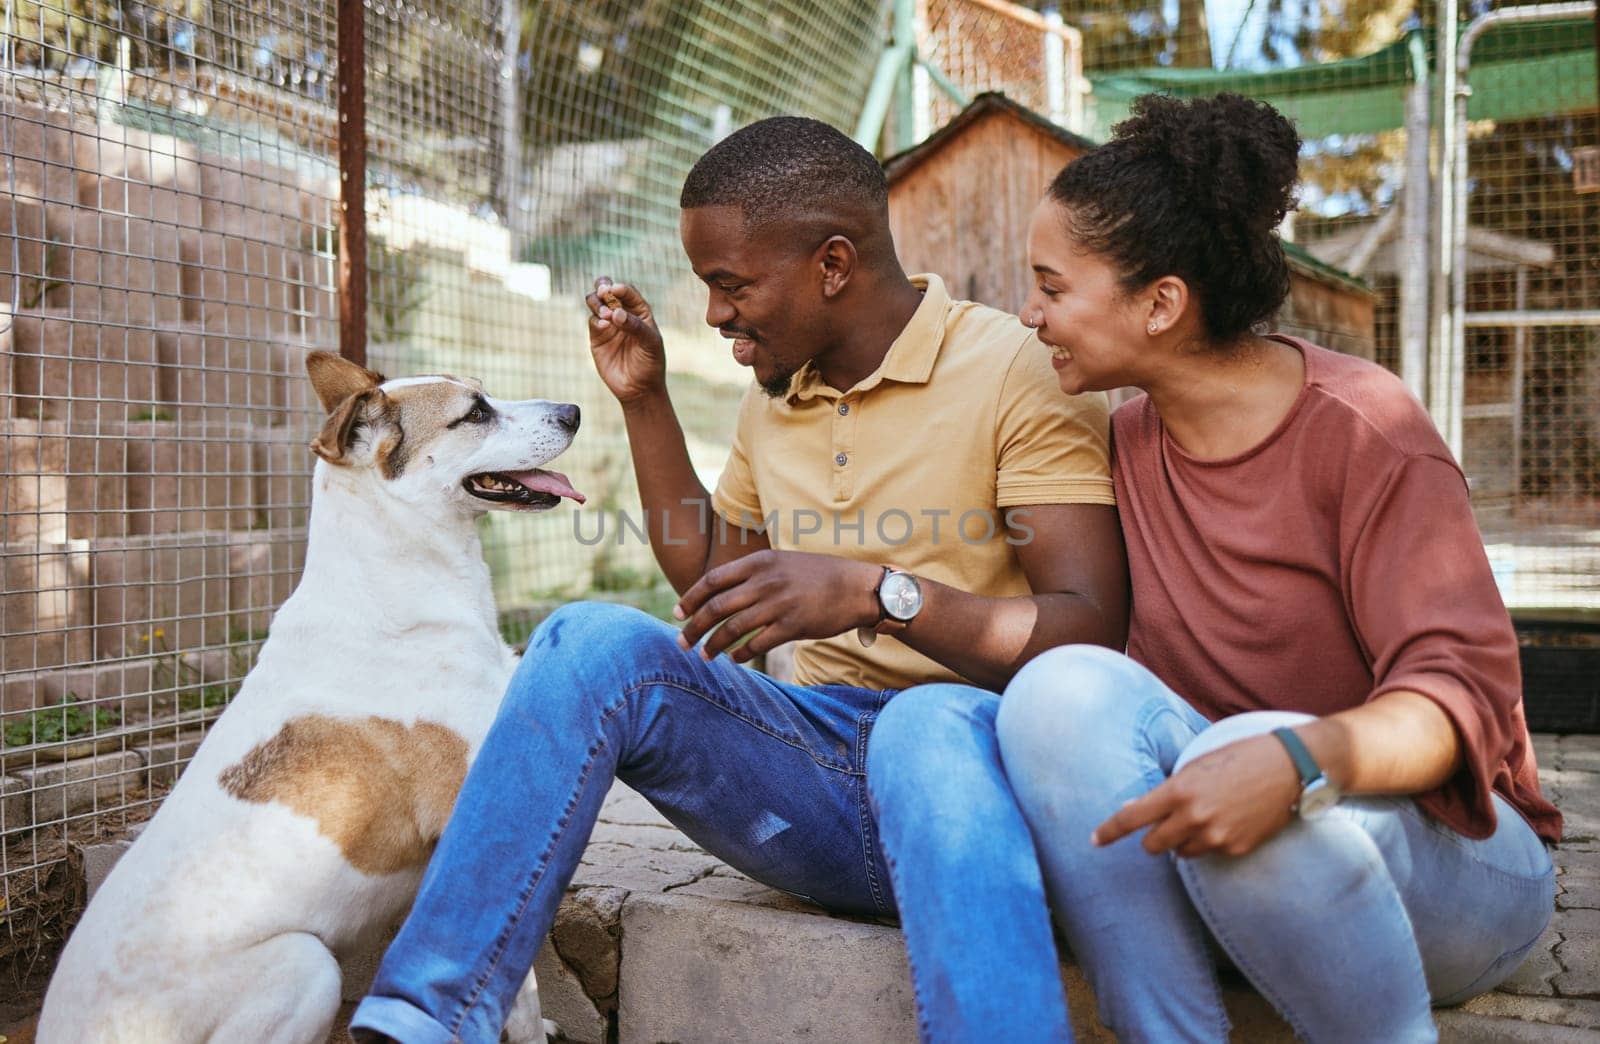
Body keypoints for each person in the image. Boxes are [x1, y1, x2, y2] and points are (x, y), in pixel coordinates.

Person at [349, 116, 1129, 1043]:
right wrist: (645, 399)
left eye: (730, 284)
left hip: (980, 781)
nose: (716, 313)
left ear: (832, 265)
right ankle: (428, 1014)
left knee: (926, 719)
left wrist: (877, 594)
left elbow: (1089, 632)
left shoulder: (1014, 371)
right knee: (587, 639)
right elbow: (718, 573)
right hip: (821, 783)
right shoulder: (780, 395)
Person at [867, 92, 1562, 1044]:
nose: (1028, 314)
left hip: (1447, 867)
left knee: (1257, 758)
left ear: (1161, 304)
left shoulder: (1369, 432)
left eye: (1053, 286)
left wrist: (1290, 762)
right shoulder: (1122, 441)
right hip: (1228, 846)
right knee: (1058, 690)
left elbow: (1460, 705)